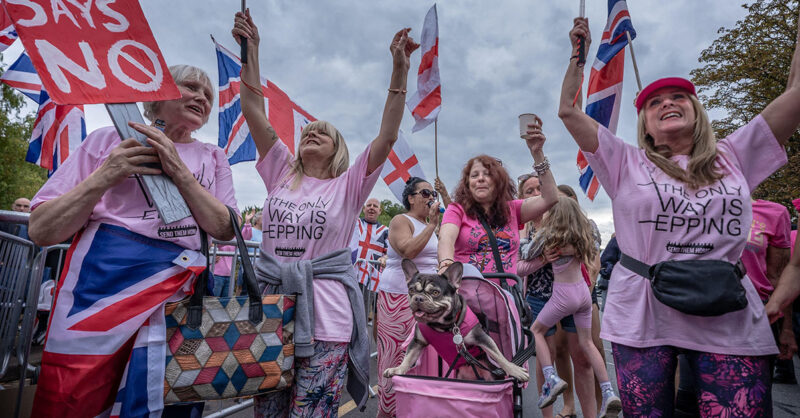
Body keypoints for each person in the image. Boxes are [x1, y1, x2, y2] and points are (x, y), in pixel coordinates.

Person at [559, 13, 800, 416]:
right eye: (654, 102)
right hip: (643, 314)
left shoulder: (735, 154)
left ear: (696, 111)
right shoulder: (624, 162)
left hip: (728, 314)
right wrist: (577, 56)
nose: (667, 102)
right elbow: (568, 111)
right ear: (646, 127)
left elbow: (796, 94)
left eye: (678, 97)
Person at [232, 9, 418, 416]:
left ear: (338, 149)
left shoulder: (348, 185)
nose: (311, 132)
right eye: (307, 131)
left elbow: (387, 135)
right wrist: (251, 49)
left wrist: (399, 69)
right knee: (269, 413)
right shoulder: (279, 169)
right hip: (270, 313)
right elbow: (252, 108)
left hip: (328, 322)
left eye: (324, 133)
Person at [27, 64, 237, 416]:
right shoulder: (105, 140)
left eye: (208, 95)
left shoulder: (213, 157)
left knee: (164, 397)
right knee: (73, 395)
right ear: (159, 94)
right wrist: (107, 174)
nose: (202, 97)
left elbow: (224, 227)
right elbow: (41, 230)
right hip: (98, 289)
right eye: (191, 86)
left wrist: (180, 172)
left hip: (178, 298)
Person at [528, 197, 621, 416]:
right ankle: (608, 390)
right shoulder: (582, 236)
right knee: (587, 343)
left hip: (564, 296)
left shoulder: (550, 237)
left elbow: (527, 253)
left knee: (536, 330)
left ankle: (550, 377)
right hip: (584, 296)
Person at [437, 115, 558, 277]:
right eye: (474, 175)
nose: (481, 178)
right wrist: (446, 265)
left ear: (499, 182)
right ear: (467, 184)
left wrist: (537, 153)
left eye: (488, 174)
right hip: (467, 297)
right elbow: (446, 239)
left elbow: (550, 198)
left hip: (505, 298)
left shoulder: (513, 209)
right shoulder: (456, 210)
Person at [518, 175, 597, 418]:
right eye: (528, 191)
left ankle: (591, 413)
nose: (534, 193)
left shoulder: (570, 220)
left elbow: (592, 252)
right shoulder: (524, 229)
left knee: (582, 358)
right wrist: (543, 258)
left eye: (538, 188)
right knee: (547, 361)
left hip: (574, 296)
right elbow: (517, 267)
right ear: (522, 198)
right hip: (540, 297)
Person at [376, 177, 440, 417]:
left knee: (421, 358)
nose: (431, 198)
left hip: (428, 302)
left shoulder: (430, 226)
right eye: (425, 193)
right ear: (410, 198)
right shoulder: (400, 220)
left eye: (433, 193)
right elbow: (408, 251)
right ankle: (386, 411)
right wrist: (432, 226)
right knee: (395, 357)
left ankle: (411, 410)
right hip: (399, 297)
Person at [742, 199, 795, 384]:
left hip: (755, 316)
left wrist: (786, 328)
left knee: (751, 394)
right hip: (701, 316)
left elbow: (779, 276)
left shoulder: (774, 213)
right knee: (689, 401)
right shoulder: (694, 204)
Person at [353, 197, 389, 287]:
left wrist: (385, 258)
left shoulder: (385, 231)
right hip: (351, 273)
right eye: (369, 205)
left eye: (375, 206)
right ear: (364, 209)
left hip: (370, 278)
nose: (371, 208)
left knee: (366, 301)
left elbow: (390, 253)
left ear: (379, 211)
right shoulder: (354, 224)